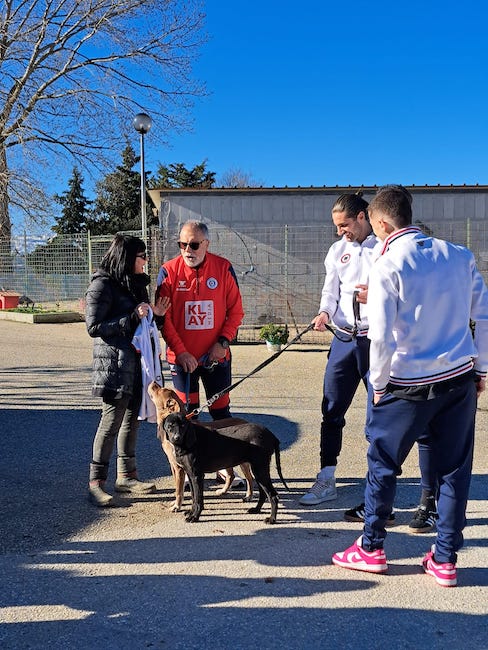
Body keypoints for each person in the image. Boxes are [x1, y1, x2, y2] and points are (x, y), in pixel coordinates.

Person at [332, 187, 488, 587]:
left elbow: (381, 337)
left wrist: (379, 386)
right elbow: (483, 315)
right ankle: (445, 559)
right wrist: (482, 369)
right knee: (455, 469)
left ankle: (371, 548)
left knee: (382, 463)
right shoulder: (459, 255)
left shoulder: (387, 265)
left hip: (407, 383)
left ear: (382, 223)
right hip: (458, 379)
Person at [299, 192, 383, 507]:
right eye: (336, 226)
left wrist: (375, 296)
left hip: (375, 341)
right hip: (344, 340)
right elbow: (329, 290)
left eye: (344, 224)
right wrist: (324, 312)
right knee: (331, 409)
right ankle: (326, 476)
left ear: (363, 217)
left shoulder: (384, 250)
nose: (339, 231)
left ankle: (378, 483)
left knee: (379, 414)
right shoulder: (337, 251)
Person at [85, 234, 170, 507]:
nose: (145, 260)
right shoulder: (102, 285)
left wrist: (154, 313)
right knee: (110, 423)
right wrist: (133, 316)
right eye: (141, 255)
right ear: (127, 257)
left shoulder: (135, 285)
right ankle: (96, 483)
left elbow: (143, 323)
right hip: (113, 365)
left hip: (137, 365)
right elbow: (94, 327)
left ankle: (127, 477)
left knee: (132, 421)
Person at [156, 221, 244, 423]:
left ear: (206, 244)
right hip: (182, 359)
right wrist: (181, 352)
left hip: (215, 357)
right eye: (182, 244)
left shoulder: (223, 268)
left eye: (194, 245)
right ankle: (192, 456)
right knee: (187, 415)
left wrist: (222, 343)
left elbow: (236, 312)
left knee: (221, 414)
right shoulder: (168, 272)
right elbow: (164, 319)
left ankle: (223, 455)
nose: (188, 250)